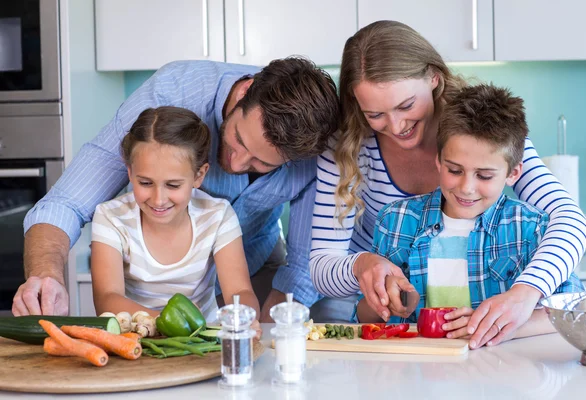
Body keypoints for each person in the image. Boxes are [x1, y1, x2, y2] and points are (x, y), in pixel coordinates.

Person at [310, 21, 586, 349]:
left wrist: (524, 294)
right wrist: (363, 265)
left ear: (434, 77)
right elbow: (321, 265)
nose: (396, 126)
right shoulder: (347, 148)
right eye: (375, 114)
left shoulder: (485, 132)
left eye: (405, 106)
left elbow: (570, 220)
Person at [13, 57, 341, 322]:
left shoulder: (319, 151)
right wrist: (46, 278)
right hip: (146, 306)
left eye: (262, 163)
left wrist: (260, 333)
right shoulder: (173, 94)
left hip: (255, 264)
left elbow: (302, 266)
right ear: (244, 92)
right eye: (239, 140)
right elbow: (66, 203)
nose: (238, 163)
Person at [355, 84, 584, 346]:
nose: (466, 187)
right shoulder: (396, 221)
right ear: (439, 161)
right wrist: (389, 303)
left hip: (500, 375)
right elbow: (363, 315)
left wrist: (497, 326)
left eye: (484, 175)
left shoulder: (531, 228)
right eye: (454, 170)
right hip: (416, 375)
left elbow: (572, 309)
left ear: (513, 173)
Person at [91, 106, 260, 335]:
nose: (159, 199)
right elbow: (107, 299)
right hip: (135, 339)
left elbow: (239, 290)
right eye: (145, 183)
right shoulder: (111, 217)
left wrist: (245, 317)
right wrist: (172, 324)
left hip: (200, 342)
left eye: (173, 185)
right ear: (130, 172)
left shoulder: (218, 215)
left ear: (198, 176)